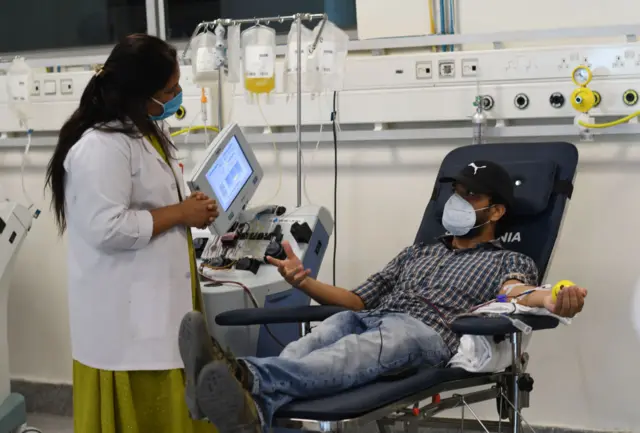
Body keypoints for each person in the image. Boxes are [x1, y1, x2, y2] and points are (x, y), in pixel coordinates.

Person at [178, 160, 588, 433]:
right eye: (456, 193)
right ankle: (253, 407)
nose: (457, 202)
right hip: (370, 316)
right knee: (308, 345)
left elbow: (518, 292)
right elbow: (356, 300)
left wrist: (554, 298)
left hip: (424, 334)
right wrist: (301, 281)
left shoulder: (509, 259)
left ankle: (241, 374)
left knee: (348, 355)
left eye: (472, 196)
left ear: (496, 212)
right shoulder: (417, 252)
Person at [44, 34, 220, 433]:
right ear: (141, 92)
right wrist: (180, 213)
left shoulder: (148, 129)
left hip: (158, 304)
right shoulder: (100, 146)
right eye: (169, 90)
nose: (176, 96)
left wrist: (188, 205)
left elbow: (152, 199)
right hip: (126, 325)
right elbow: (107, 228)